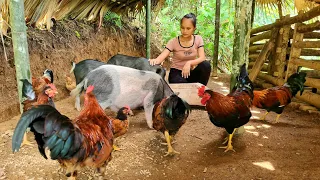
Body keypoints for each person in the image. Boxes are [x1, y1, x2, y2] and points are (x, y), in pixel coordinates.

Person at [149, 13, 211, 86]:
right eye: (182, 28)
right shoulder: (173, 42)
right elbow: (160, 58)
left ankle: (201, 91)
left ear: (194, 28)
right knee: (184, 89)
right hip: (176, 74)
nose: (184, 31)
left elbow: (202, 58)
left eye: (188, 28)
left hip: (190, 73)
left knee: (206, 65)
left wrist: (189, 63)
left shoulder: (198, 39)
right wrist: (154, 61)